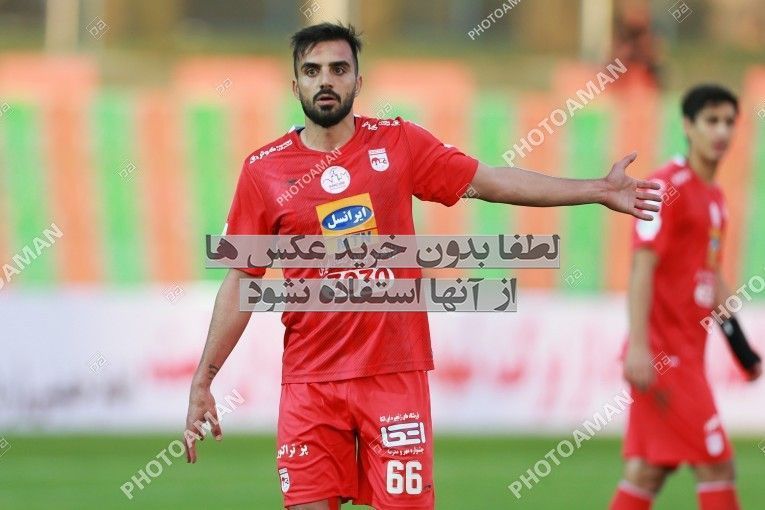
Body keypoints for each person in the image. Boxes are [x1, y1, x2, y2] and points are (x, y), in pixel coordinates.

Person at [183, 22, 661, 510]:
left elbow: (491, 181)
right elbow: (240, 280)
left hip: (393, 376)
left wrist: (597, 189)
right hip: (310, 384)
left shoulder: (398, 143)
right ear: (295, 85)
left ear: (358, 81)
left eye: (338, 69)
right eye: (312, 70)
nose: (325, 80)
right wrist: (204, 379)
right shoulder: (263, 170)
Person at [609, 84, 762, 510]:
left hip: (688, 356)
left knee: (648, 472)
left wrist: (741, 348)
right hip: (662, 357)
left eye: (729, 122)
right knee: (717, 464)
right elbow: (641, 266)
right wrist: (638, 347)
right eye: (711, 121)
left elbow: (711, 278)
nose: (722, 131)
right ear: (688, 126)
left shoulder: (715, 198)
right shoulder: (665, 187)